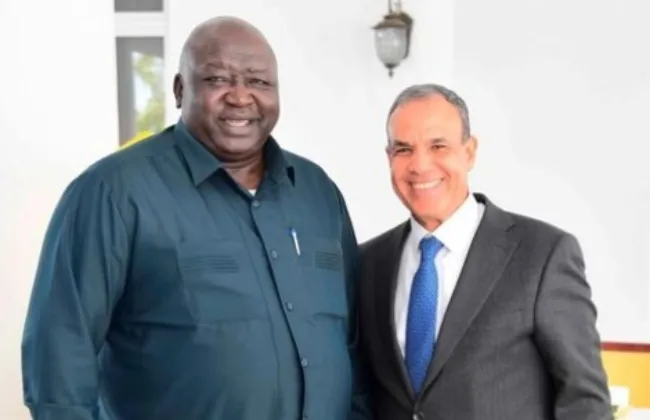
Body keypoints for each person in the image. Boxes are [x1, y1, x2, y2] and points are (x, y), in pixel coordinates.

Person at [22, 16, 370, 420]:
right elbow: (60, 351)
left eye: (258, 82)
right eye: (218, 79)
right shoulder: (112, 192)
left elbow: (353, 342)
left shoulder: (316, 191)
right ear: (179, 89)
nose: (241, 97)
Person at [357, 83, 613, 420]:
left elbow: (585, 401)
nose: (420, 165)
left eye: (438, 145)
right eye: (404, 149)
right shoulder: (367, 264)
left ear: (470, 151)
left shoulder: (543, 255)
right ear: (389, 158)